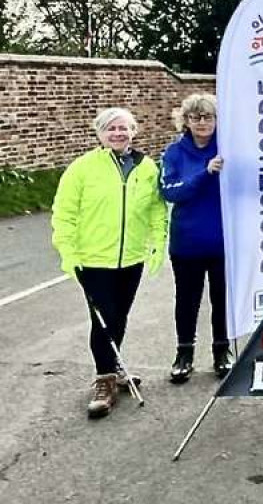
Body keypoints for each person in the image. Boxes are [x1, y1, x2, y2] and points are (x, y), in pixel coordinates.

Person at [51, 108, 168, 418]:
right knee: (103, 317)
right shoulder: (83, 168)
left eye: (123, 128)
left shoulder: (146, 168)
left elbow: (156, 208)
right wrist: (67, 250)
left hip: (131, 258)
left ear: (133, 132)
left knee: (119, 317)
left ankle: (114, 367)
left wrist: (157, 241)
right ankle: (104, 380)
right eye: (110, 129)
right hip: (93, 259)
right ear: (100, 134)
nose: (117, 133)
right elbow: (64, 212)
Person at [160, 93, 230, 383]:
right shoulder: (173, 153)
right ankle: (184, 354)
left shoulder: (228, 149)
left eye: (208, 117)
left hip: (224, 242)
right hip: (187, 242)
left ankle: (222, 352)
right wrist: (205, 172)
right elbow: (171, 191)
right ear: (185, 121)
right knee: (187, 300)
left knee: (222, 300)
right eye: (195, 117)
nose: (202, 123)